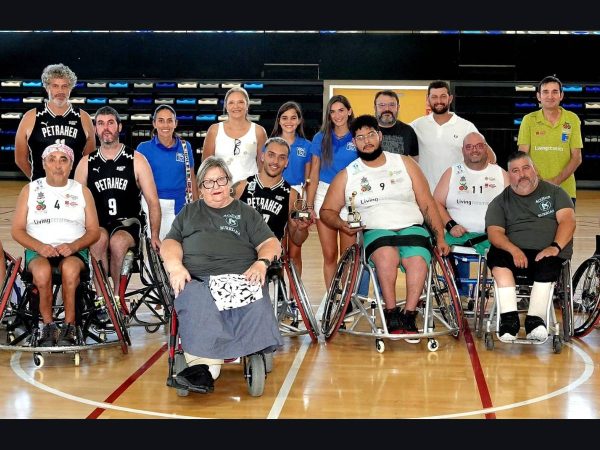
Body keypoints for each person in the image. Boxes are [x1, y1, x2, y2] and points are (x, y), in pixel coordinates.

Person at [320, 114, 449, 340]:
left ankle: (409, 314)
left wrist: (440, 238)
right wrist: (342, 224)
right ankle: (390, 313)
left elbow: (427, 202)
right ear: (354, 142)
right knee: (386, 258)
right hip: (376, 229)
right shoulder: (348, 174)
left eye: (371, 134)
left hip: (411, 226)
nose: (366, 140)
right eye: (360, 137)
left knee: (418, 259)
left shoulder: (405, 162)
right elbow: (326, 211)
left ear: (380, 136)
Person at [160, 156, 283, 393]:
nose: (216, 187)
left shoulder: (246, 213)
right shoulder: (189, 213)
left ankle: (205, 368)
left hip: (239, 278)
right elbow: (170, 242)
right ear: (200, 188)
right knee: (195, 297)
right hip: (197, 279)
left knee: (253, 294)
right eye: (208, 183)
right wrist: (175, 266)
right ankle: (205, 368)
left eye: (221, 180)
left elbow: (270, 242)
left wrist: (262, 263)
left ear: (229, 183)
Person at [11, 143, 100, 347]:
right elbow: (17, 230)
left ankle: (69, 325)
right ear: (43, 164)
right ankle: (48, 326)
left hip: (73, 251)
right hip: (39, 251)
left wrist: (74, 246)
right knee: (41, 272)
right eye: (52, 159)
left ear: (71, 165)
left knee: (69, 269)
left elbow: (94, 231)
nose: (57, 165)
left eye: (63, 160)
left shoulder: (82, 191)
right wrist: (39, 246)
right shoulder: (30, 190)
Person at [485, 151, 576, 342]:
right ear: (509, 176)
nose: (522, 174)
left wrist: (555, 247)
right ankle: (508, 320)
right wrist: (514, 249)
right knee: (497, 257)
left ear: (535, 170)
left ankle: (536, 320)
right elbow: (495, 233)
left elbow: (568, 221)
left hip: (548, 251)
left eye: (526, 168)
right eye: (516, 171)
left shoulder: (556, 193)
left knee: (548, 263)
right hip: (513, 252)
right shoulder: (500, 201)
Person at [74, 106, 161, 298]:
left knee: (118, 242)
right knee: (98, 239)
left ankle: (116, 297)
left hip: (129, 223)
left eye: (111, 123)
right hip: (99, 223)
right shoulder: (86, 163)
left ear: (119, 127)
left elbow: (153, 201)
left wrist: (154, 235)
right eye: (101, 123)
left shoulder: (137, 160)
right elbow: (75, 203)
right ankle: (101, 298)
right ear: (95, 129)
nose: (106, 128)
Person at [306, 95, 358, 289]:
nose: (337, 115)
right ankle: (331, 300)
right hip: (324, 195)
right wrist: (310, 206)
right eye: (333, 111)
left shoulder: (357, 135)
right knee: (329, 254)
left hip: (350, 197)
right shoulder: (320, 137)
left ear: (349, 111)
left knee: (347, 256)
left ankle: (345, 301)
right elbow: (314, 173)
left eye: (341, 110)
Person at [14, 63, 96, 181]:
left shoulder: (83, 118)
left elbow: (89, 159)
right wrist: (37, 180)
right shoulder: (31, 117)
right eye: (55, 86)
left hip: (73, 188)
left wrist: (79, 182)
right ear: (47, 87)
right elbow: (20, 159)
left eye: (64, 86)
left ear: (71, 88)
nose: (60, 91)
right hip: (41, 189)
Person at [410, 80, 496, 190]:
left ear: (450, 98)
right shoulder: (416, 125)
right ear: (428, 99)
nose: (439, 101)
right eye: (434, 97)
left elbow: (490, 157)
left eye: (443, 96)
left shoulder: (466, 127)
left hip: (457, 193)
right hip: (426, 193)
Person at [433, 131, 509, 255]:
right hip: (457, 239)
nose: (474, 150)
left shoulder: (501, 173)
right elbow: (436, 202)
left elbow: (513, 205)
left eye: (479, 146)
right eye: (469, 147)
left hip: (493, 238)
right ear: (463, 151)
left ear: (486, 148)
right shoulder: (452, 172)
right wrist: (450, 225)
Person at [235, 137, 310, 250]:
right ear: (262, 157)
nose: (275, 161)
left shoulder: (292, 196)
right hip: (239, 255)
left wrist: (301, 229)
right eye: (271, 155)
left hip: (271, 259)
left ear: (286, 163)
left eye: (282, 157)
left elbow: (297, 240)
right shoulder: (240, 187)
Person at [517, 75, 583, 204]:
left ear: (561, 95)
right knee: (535, 225)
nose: (550, 96)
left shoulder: (572, 119)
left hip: (565, 191)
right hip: (534, 188)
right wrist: (539, 180)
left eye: (555, 92)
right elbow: (522, 155)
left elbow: (577, 157)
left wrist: (556, 181)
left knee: (565, 225)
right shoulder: (528, 120)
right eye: (545, 92)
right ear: (538, 96)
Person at [136, 105, 198, 240]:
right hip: (152, 205)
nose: (166, 125)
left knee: (180, 249)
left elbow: (191, 178)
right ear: (154, 123)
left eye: (170, 120)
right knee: (154, 251)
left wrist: (196, 206)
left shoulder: (185, 147)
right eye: (161, 120)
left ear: (176, 123)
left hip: (181, 206)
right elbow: (137, 182)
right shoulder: (143, 148)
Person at [269, 101, 313, 274]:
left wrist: (307, 205)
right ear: (279, 121)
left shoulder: (306, 146)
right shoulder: (270, 144)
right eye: (285, 117)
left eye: (293, 117)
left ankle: (294, 297)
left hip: (297, 200)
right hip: (275, 198)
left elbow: (308, 180)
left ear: (299, 120)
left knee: (295, 251)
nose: (289, 121)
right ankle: (280, 296)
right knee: (278, 250)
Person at [201, 87, 268, 184]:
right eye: (231, 103)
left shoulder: (259, 131)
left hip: (250, 190)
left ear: (247, 105)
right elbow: (206, 166)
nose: (236, 106)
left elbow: (263, 167)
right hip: (220, 189)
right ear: (226, 107)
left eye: (240, 102)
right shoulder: (214, 130)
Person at [373, 89, 419, 157]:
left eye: (392, 105)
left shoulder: (408, 131)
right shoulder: (366, 131)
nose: (387, 109)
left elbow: (415, 160)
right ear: (375, 107)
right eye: (382, 105)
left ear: (398, 107)